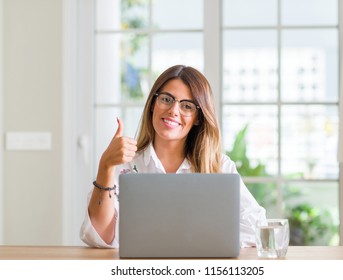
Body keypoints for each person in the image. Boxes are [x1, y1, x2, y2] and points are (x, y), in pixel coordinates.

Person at [80, 64, 266, 248]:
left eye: (187, 106)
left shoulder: (219, 166)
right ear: (153, 104)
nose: (173, 111)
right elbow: (99, 236)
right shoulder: (124, 164)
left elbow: (257, 225)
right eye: (167, 99)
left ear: (198, 118)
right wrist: (105, 165)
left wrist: (203, 241)